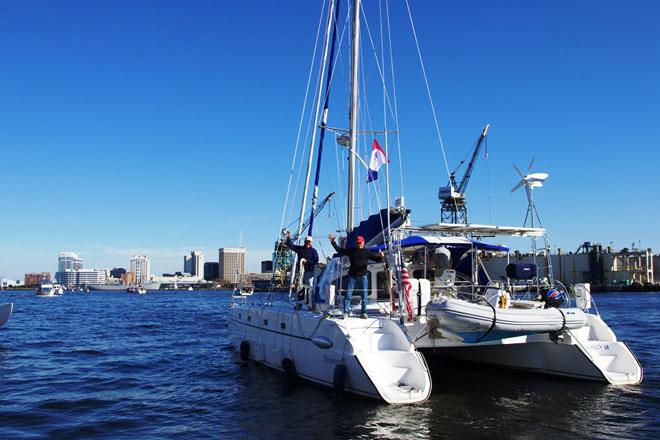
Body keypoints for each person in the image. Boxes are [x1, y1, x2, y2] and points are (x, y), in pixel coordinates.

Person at [328, 234, 384, 319]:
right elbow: (339, 250)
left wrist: (381, 256)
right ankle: (346, 312)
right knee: (348, 295)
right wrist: (333, 242)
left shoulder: (367, 252)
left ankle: (364, 313)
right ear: (356, 243)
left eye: (361, 243)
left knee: (364, 296)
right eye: (358, 243)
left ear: (363, 242)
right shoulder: (352, 251)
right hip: (352, 276)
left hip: (363, 276)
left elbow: (377, 260)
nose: (359, 244)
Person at [285, 231, 319, 303]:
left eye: (309, 242)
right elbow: (291, 245)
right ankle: (301, 301)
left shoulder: (313, 251)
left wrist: (308, 262)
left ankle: (310, 302)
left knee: (310, 286)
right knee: (300, 287)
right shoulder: (300, 249)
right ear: (305, 242)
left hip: (309, 272)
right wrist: (288, 237)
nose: (308, 243)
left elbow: (316, 261)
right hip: (301, 272)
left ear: (311, 242)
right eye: (307, 242)